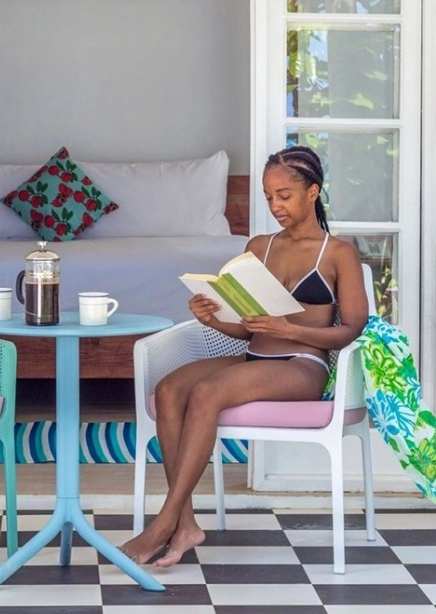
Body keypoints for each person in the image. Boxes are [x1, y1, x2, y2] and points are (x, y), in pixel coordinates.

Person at [120, 145, 369, 567]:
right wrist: (212, 317)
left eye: (284, 195)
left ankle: (164, 523)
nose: (275, 206)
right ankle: (185, 523)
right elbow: (245, 327)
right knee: (169, 389)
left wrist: (291, 330)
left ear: (312, 192)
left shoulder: (338, 253)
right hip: (255, 356)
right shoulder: (259, 247)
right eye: (269, 196)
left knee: (206, 392)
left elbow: (353, 329)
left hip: (302, 366)